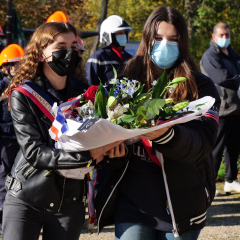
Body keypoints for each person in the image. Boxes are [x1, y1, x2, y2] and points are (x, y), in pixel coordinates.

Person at [94, 6, 221, 240]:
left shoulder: (201, 88)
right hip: (133, 203)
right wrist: (114, 153)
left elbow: (202, 144)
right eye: (158, 38)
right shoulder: (126, 83)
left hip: (181, 203)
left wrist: (166, 135)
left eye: (173, 39)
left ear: (183, 43)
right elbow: (111, 146)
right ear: (147, 39)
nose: (165, 45)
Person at [1, 22, 125, 240]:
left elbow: (96, 144)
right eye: (60, 47)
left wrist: (112, 155)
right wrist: (87, 157)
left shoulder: (86, 94)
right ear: (40, 55)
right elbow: (34, 152)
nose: (69, 53)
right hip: (26, 197)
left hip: (69, 203)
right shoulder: (23, 95)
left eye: (74, 46)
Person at [200, 23, 240, 195]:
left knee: (234, 147)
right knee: (215, 148)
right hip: (221, 108)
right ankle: (210, 182)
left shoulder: (232, 53)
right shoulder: (209, 56)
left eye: (227, 35)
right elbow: (221, 77)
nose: (225, 38)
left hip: (236, 108)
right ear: (214, 36)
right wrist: (238, 78)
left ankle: (231, 180)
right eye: (222, 35)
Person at [0, 44, 24, 232]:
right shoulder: (1, 87)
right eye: (15, 64)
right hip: (5, 138)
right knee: (3, 176)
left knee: (19, 176)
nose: (19, 67)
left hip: (21, 138)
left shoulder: (24, 86)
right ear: (5, 67)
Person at [86, 15, 133, 87]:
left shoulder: (129, 58)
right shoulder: (97, 58)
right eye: (119, 33)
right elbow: (89, 87)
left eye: (124, 33)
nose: (123, 35)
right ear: (108, 35)